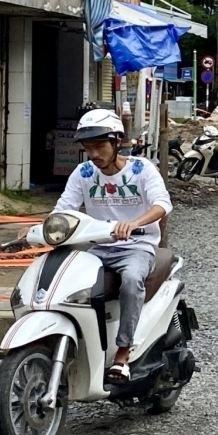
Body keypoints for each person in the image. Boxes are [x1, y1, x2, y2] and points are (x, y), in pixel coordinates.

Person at [26, 109, 172, 382]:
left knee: (131, 281)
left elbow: (162, 204)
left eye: (100, 146)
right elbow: (63, 210)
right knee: (68, 284)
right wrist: (41, 228)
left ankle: (122, 354)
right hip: (96, 247)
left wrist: (134, 223)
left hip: (136, 247)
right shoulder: (83, 173)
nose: (93, 154)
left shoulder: (142, 169)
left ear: (117, 142)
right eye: (88, 147)